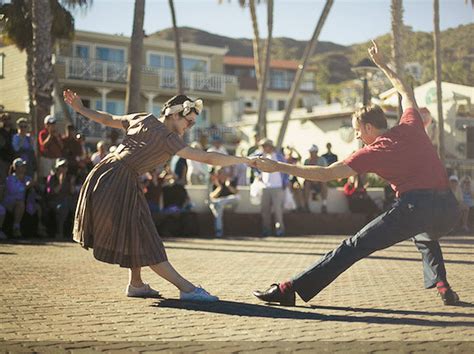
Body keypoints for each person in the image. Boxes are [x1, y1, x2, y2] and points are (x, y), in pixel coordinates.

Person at [252, 41, 460, 307]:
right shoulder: (411, 123)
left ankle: (289, 288)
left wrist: (280, 166)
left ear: (369, 126)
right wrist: (383, 64)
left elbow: (326, 174)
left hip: (415, 207)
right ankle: (443, 286)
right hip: (448, 210)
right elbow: (404, 90)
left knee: (353, 246)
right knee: (424, 234)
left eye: (357, 129)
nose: (357, 135)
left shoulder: (373, 152)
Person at [63, 89, 250, 302]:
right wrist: (244, 160)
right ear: (174, 114)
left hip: (112, 174)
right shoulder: (169, 138)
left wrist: (81, 108)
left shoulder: (143, 118)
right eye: (188, 121)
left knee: (137, 231)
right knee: (145, 237)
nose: (190, 126)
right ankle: (186, 289)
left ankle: (136, 284)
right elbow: (206, 158)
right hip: (118, 179)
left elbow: (108, 119)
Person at [254, 138, 289, 237]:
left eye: (265, 146)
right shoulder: (261, 156)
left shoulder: (278, 156)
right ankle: (266, 230)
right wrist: (257, 174)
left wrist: (285, 182)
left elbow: (286, 168)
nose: (263, 148)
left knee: (278, 211)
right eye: (262, 146)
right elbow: (250, 163)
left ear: (270, 146)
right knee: (265, 211)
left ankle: (280, 230)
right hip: (265, 187)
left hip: (277, 187)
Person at [2, 158, 34, 237]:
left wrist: (33, 185)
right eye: (21, 166)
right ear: (15, 167)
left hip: (22, 202)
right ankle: (16, 227)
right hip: (9, 202)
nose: (23, 168)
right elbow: (16, 191)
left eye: (24, 166)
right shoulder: (10, 179)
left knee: (35, 206)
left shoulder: (27, 178)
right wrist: (26, 186)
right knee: (20, 204)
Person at [46, 158, 76, 239]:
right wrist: (61, 182)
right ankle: (60, 232)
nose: (64, 168)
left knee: (77, 208)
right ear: (57, 167)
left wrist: (72, 183)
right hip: (55, 201)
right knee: (63, 207)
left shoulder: (69, 178)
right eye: (62, 166)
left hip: (67, 201)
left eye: (65, 166)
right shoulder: (51, 178)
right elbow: (52, 192)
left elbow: (72, 192)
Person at [208, 167, 240, 237]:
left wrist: (228, 186)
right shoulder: (215, 182)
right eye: (219, 173)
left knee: (235, 198)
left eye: (223, 173)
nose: (222, 175)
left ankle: (218, 231)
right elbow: (212, 196)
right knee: (219, 207)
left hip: (230, 203)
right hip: (219, 205)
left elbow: (237, 193)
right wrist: (220, 187)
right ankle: (219, 231)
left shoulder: (230, 181)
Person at [303, 144, 328, 213]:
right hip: (310, 181)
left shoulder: (322, 160)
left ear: (316, 152)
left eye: (312, 151)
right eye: (310, 151)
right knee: (306, 184)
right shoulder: (306, 161)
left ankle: (324, 204)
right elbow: (304, 173)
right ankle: (306, 205)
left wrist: (317, 179)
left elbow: (325, 172)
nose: (311, 153)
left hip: (320, 181)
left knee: (324, 183)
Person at [38, 115, 64, 179]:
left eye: (53, 124)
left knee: (56, 177)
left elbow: (62, 146)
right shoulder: (42, 133)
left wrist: (57, 137)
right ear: (46, 125)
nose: (52, 126)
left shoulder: (57, 133)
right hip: (46, 159)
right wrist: (50, 135)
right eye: (50, 124)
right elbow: (43, 145)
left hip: (56, 158)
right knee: (46, 177)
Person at [0, 113, 15, 183]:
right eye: (4, 119)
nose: (7, 121)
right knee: (3, 179)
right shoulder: (0, 131)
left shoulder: (14, 132)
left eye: (8, 119)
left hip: (13, 159)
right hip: (3, 159)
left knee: (13, 178)